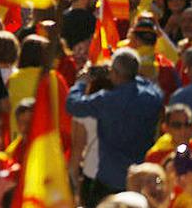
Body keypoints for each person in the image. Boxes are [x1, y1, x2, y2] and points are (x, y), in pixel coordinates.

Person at [66, 48, 165, 199]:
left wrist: (80, 83)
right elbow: (153, 87)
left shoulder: (107, 100)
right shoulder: (152, 97)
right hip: (138, 178)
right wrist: (129, 75)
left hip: (109, 179)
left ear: (116, 73)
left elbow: (74, 105)